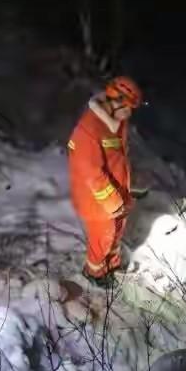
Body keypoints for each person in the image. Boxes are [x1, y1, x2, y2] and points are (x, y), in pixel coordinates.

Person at [68, 76, 143, 287]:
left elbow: (117, 157)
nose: (129, 114)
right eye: (127, 108)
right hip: (97, 200)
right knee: (102, 238)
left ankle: (112, 265)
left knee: (116, 233)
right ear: (116, 101)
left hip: (117, 192)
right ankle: (95, 273)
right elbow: (91, 173)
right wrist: (112, 202)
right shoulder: (88, 130)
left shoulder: (117, 121)